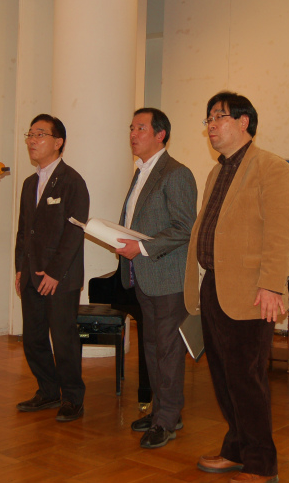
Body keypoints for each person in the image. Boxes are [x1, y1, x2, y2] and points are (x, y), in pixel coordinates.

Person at [183, 92, 289, 483]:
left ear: (244, 121)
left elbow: (282, 233)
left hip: (252, 292)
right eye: (208, 119)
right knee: (223, 376)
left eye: (219, 117)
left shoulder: (271, 167)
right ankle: (235, 448)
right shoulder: (217, 172)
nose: (211, 126)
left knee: (247, 379)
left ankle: (262, 464)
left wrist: (272, 286)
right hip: (214, 286)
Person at [115, 108, 197, 449]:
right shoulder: (141, 172)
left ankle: (167, 420)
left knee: (168, 351)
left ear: (160, 134)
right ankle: (163, 412)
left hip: (167, 277)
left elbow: (184, 227)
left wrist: (142, 247)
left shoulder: (176, 173)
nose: (133, 134)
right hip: (144, 275)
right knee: (152, 347)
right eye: (131, 128)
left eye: (141, 128)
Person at [14, 114, 89, 423]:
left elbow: (74, 232)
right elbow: (24, 231)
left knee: (63, 339)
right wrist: (20, 268)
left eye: (40, 134)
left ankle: (72, 398)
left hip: (61, 277)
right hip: (31, 273)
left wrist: (55, 272)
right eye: (30, 134)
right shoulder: (29, 183)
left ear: (58, 142)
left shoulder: (72, 181)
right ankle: (47, 391)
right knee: (33, 339)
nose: (32, 140)